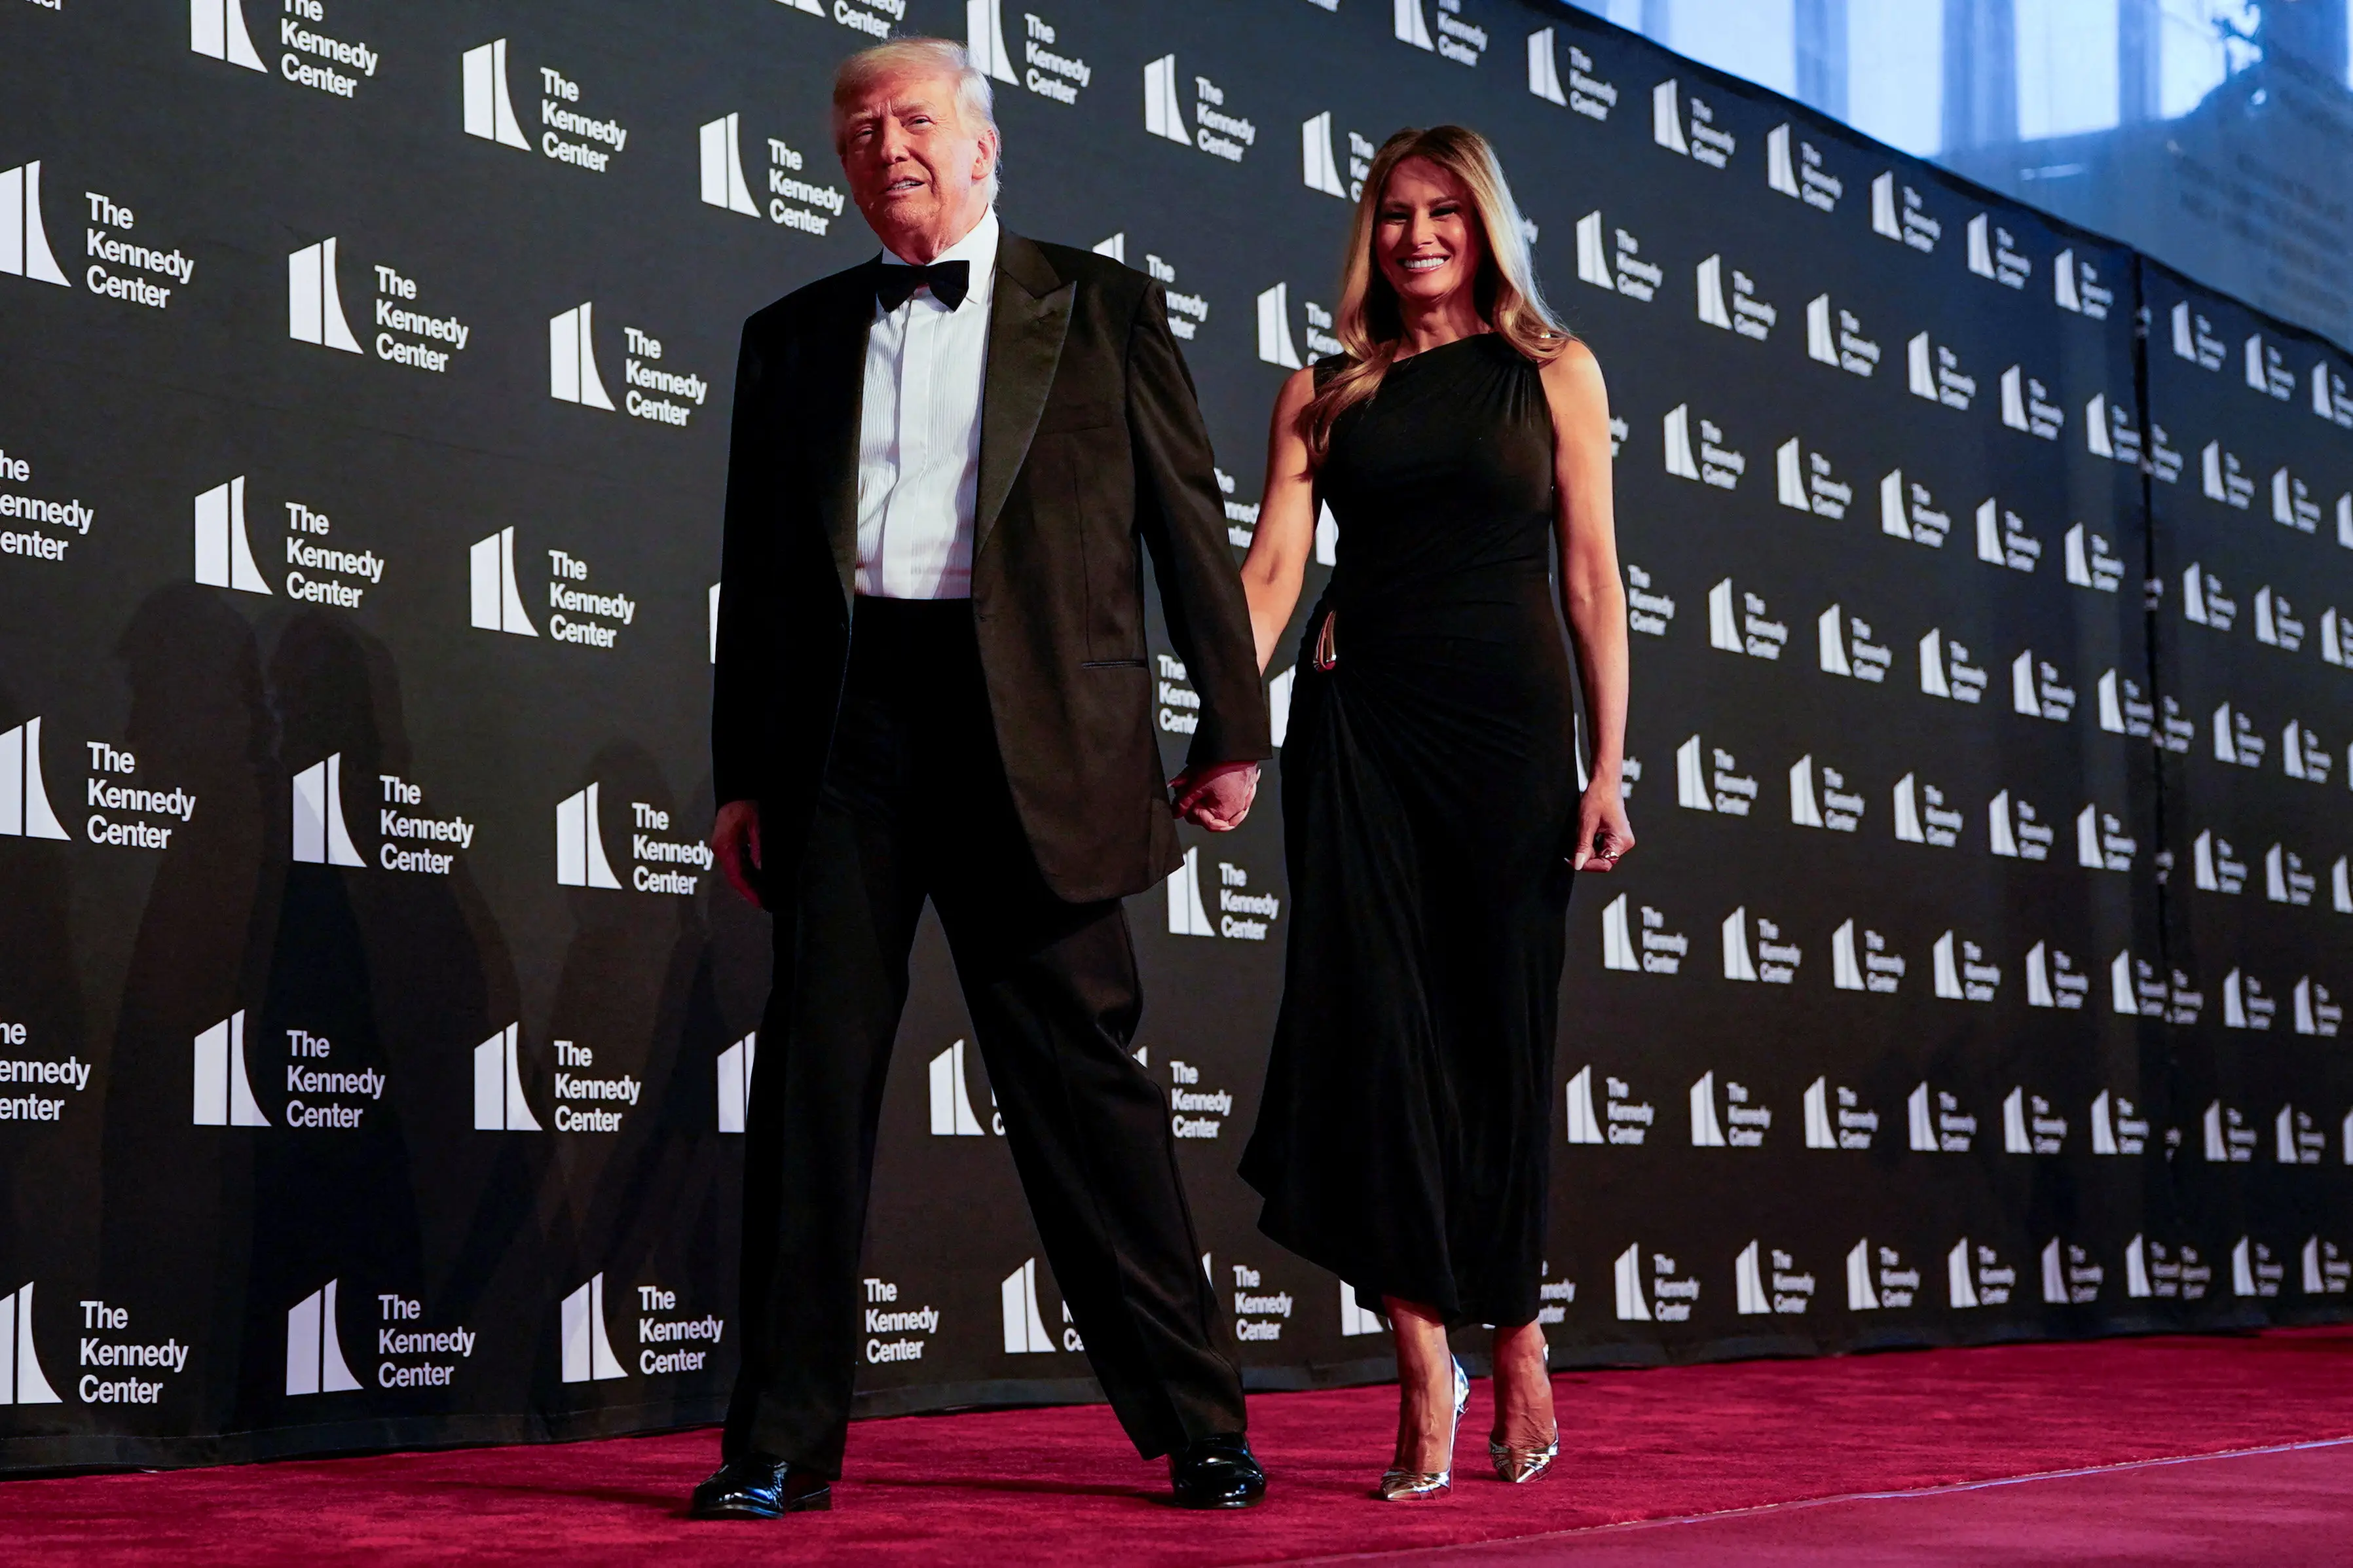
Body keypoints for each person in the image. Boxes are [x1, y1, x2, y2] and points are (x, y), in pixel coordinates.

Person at [695, 38, 1271, 1520]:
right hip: (843, 734)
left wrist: (1229, 723)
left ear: (983, 145)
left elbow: (1184, 526)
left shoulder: (1100, 307)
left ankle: (1200, 1424)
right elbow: (757, 584)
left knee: (1086, 1085)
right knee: (813, 1085)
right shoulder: (789, 335)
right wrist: (743, 777)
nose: (888, 147)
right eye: (859, 131)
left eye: (917, 122)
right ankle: (774, 1443)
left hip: (1039, 733)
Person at [1235, 126, 1634, 1502]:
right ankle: (1419, 1364)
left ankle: (1514, 1329)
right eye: (1394, 214)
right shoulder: (1323, 392)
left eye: (1442, 213)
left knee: (1495, 1041)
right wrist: (1224, 721)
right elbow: (1275, 574)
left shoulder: (1550, 372)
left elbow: (1589, 577)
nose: (1414, 236)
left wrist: (1606, 763)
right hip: (1357, 734)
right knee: (1365, 1045)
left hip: (1510, 740)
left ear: (1484, 225)